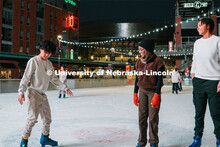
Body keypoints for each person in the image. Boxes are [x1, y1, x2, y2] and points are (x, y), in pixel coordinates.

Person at [18, 40, 73, 147]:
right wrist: (21, 92)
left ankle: (45, 138)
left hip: (43, 94)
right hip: (33, 92)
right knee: (32, 118)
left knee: (47, 118)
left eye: (49, 53)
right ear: (41, 49)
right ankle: (24, 140)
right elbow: (26, 77)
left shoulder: (48, 64)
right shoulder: (33, 61)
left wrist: (65, 88)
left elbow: (53, 78)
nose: (47, 55)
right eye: (46, 52)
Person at [189, 18, 220, 147]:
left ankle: (219, 140)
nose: (198, 28)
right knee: (199, 113)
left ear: (207, 26)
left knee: (216, 113)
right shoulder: (197, 43)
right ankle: (197, 139)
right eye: (197, 26)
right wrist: (193, 75)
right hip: (199, 82)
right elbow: (195, 59)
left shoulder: (217, 41)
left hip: (214, 81)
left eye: (200, 25)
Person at [133, 39, 165, 147]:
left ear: (147, 50)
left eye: (141, 49)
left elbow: (160, 79)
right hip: (142, 91)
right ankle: (141, 142)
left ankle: (153, 143)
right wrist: (135, 93)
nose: (140, 52)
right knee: (141, 118)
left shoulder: (157, 62)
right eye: (139, 50)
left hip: (153, 92)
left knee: (152, 118)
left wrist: (157, 94)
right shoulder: (138, 62)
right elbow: (137, 79)